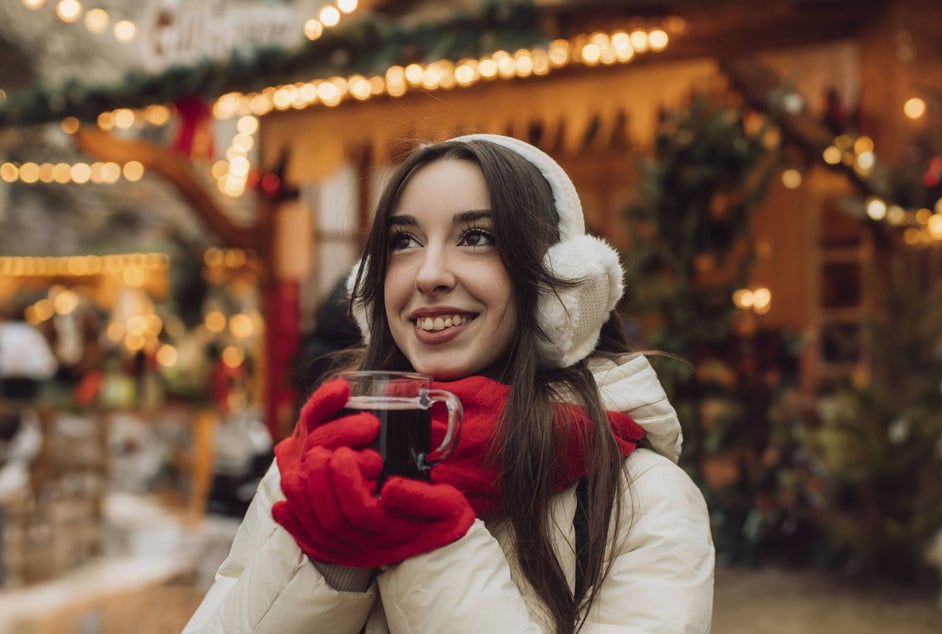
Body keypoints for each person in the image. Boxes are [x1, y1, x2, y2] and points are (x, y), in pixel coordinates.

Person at [184, 134, 714, 633]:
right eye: (405, 241)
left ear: (558, 289)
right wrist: (327, 559)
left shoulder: (646, 500)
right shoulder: (315, 465)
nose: (428, 274)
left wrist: (430, 546)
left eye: (476, 237)